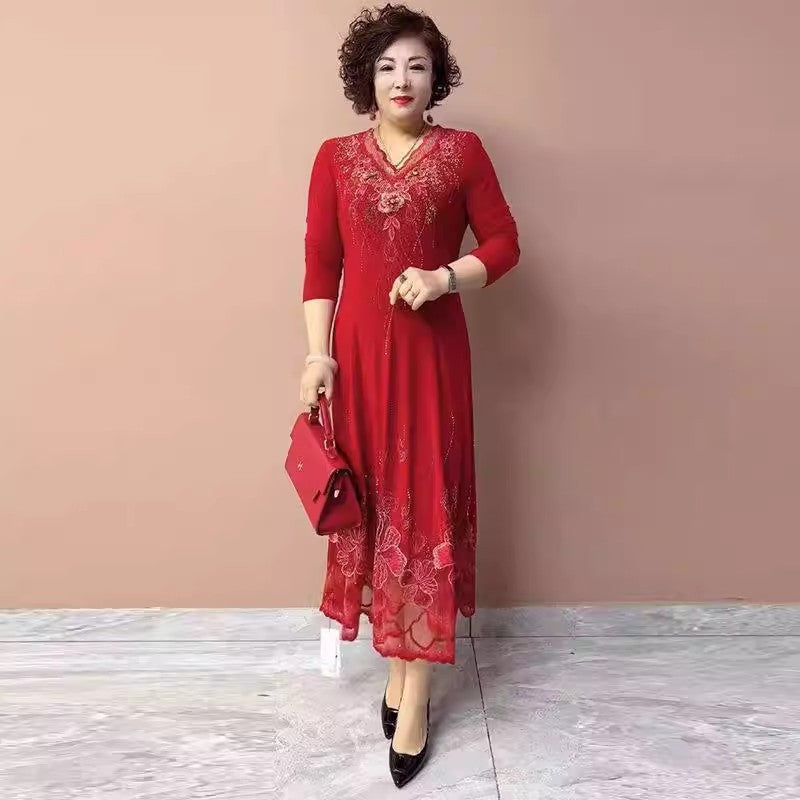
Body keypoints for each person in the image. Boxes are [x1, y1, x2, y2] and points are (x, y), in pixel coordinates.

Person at [299, 3, 520, 788]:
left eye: (417, 66)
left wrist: (444, 276)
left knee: (421, 509)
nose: (402, 79)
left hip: (431, 361)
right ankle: (398, 671)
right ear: (366, 76)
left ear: (436, 78)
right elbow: (320, 263)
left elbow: (505, 244)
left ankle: (415, 692)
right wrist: (317, 355)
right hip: (358, 362)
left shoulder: (462, 153)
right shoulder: (334, 158)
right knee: (378, 507)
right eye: (387, 65)